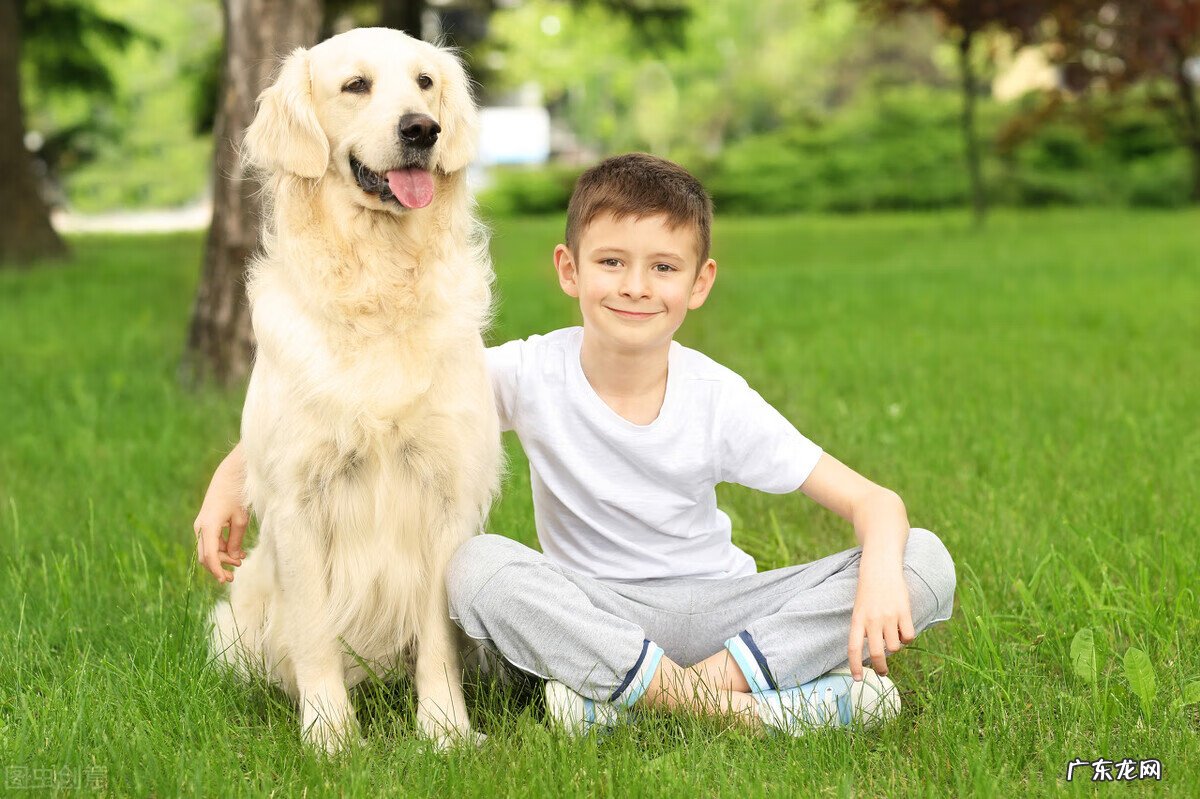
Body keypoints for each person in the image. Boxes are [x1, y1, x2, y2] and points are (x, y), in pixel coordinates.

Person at [194, 153, 956, 736]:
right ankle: (764, 706)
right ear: (570, 270)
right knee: (475, 566)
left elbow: (875, 503)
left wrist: (880, 574)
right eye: (612, 262)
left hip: (720, 606)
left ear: (699, 283)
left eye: (663, 268)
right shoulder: (528, 371)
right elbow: (366, 404)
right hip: (589, 607)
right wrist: (236, 471)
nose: (635, 286)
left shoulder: (717, 396)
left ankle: (651, 699)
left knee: (924, 560)